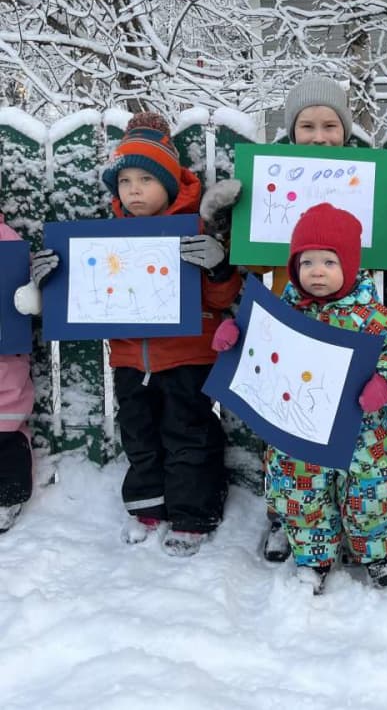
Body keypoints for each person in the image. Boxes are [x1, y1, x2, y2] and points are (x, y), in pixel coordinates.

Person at [200, 74, 387, 562]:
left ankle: (360, 526)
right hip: (284, 329)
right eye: (307, 126)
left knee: (352, 439)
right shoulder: (270, 181)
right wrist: (224, 224)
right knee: (287, 438)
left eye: (330, 125)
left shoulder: (365, 179)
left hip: (348, 327)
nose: (318, 136)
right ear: (291, 131)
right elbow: (246, 263)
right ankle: (286, 518)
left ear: (345, 130)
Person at [28, 112, 242, 556]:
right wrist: (51, 280)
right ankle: (147, 506)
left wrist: (218, 267)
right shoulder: (106, 237)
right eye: (125, 182)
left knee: (189, 435)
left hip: (187, 358)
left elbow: (221, 298)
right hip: (129, 360)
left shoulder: (194, 229)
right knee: (140, 436)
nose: (134, 190)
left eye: (146, 179)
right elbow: (84, 299)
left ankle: (193, 513)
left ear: (170, 184)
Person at [213, 202, 387, 593]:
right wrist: (234, 338)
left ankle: (376, 553)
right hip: (300, 432)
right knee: (302, 497)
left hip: (366, 438)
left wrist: (385, 382)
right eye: (307, 262)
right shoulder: (282, 314)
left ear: (350, 265)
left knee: (371, 495)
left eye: (329, 262)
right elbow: (258, 346)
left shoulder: (372, 317)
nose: (317, 271)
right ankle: (314, 559)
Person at [0, 215, 40, 533]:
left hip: (4, 362)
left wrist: (32, 296)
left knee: (5, 431)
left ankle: (7, 498)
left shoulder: (5, 238)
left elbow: (22, 278)